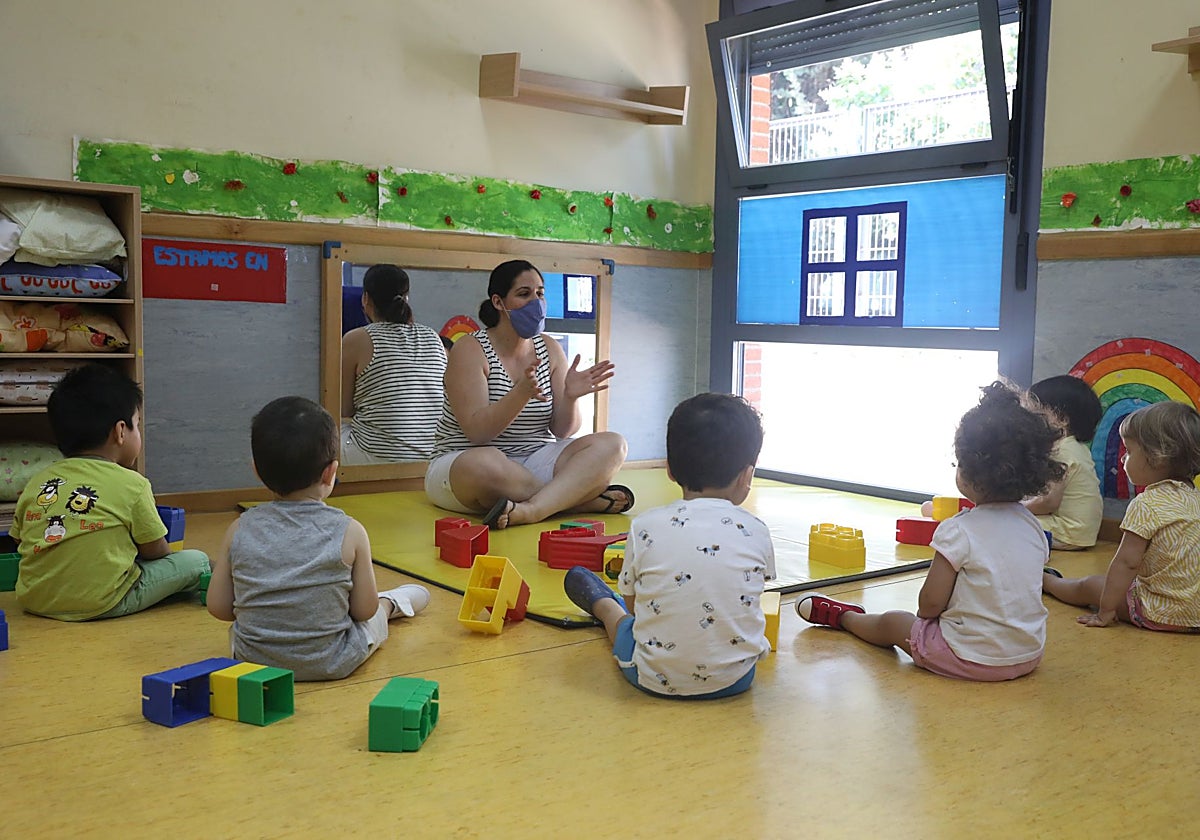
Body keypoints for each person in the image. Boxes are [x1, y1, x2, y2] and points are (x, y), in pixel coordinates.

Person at [797, 381, 1063, 681]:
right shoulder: (1032, 527)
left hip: (970, 658)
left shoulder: (959, 531)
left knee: (895, 622)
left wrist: (934, 624)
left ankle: (846, 618)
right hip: (1027, 655)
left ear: (967, 473)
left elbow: (929, 605)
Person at [562, 392, 776, 699]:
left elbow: (636, 610)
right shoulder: (757, 530)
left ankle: (603, 606)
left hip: (650, 677)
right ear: (747, 475)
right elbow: (751, 597)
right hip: (737, 679)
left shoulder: (645, 525)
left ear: (670, 469)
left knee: (622, 622)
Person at [206, 396, 431, 681]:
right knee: (375, 616)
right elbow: (363, 610)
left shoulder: (239, 529)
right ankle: (393, 603)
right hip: (333, 660)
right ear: (331, 472)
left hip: (255, 662)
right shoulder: (350, 531)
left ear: (257, 472)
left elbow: (219, 607)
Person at [425, 259, 632, 529]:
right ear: (499, 302)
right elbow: (477, 433)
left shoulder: (549, 348)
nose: (536, 302)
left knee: (613, 444)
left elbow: (562, 430)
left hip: (534, 459)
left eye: (540, 293)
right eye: (524, 294)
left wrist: (571, 397)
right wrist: (521, 392)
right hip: (466, 463)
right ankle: (577, 500)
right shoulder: (470, 349)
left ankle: (533, 509)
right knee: (483, 463)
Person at [10, 363, 210, 621]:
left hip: (34, 598)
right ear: (120, 432)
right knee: (197, 560)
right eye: (136, 425)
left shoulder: (39, 481)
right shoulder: (132, 484)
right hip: (101, 601)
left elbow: (20, 540)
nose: (138, 432)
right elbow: (155, 551)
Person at [1043, 400, 1200, 631]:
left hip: (1160, 613)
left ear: (1158, 456)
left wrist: (1106, 610)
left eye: (1129, 451)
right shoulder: (1194, 500)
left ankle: (1047, 581)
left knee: (1092, 584)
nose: (1122, 459)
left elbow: (1127, 562)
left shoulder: (1147, 503)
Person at [341, 263, 448, 464]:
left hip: (375, 457)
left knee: (332, 430)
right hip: (432, 457)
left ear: (365, 299)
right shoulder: (432, 336)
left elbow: (344, 410)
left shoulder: (356, 339)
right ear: (406, 298)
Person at [1023, 374, 1103, 550]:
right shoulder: (1077, 447)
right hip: (1081, 532)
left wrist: (1015, 508)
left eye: (1034, 413)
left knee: (1006, 521)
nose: (1028, 421)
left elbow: (1048, 502)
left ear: (1062, 419)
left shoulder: (1061, 451)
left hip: (1069, 532)